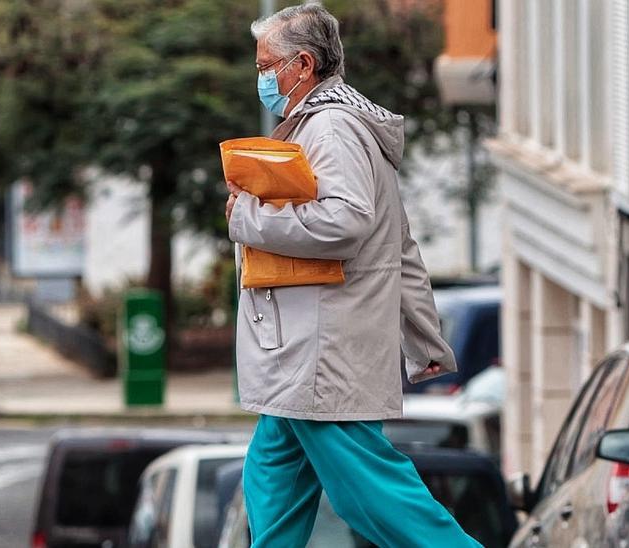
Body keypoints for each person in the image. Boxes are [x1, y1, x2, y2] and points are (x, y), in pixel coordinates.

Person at [224, 4, 481, 548]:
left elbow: (345, 223)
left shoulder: (333, 128)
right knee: (271, 480)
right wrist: (424, 335)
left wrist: (247, 217)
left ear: (303, 65)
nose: (262, 77)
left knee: (371, 494)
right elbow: (400, 245)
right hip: (305, 350)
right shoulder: (334, 124)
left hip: (322, 351)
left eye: (266, 65)